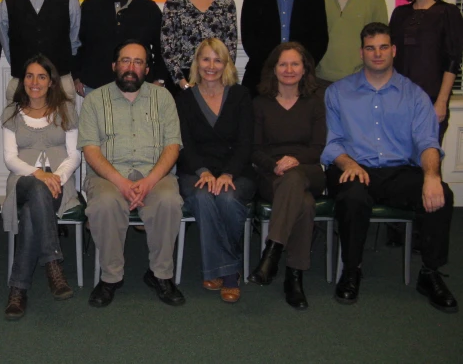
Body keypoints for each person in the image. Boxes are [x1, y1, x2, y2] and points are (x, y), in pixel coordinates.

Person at [322, 22, 457, 313]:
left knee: (441, 195)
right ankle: (351, 270)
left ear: (393, 50)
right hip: (354, 167)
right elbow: (332, 143)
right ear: (362, 52)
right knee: (353, 197)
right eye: (370, 48)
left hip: (398, 170)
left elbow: (427, 141)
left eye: (383, 47)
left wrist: (432, 176)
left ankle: (430, 273)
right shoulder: (338, 92)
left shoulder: (415, 95)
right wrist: (348, 163)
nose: (377, 53)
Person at [79, 40, 184, 308]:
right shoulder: (94, 100)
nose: (131, 67)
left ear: (147, 69)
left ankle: (160, 275)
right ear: (114, 66)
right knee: (104, 203)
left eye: (138, 62)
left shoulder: (163, 98)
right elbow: (90, 150)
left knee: (169, 201)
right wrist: (122, 183)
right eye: (125, 61)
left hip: (155, 174)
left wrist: (149, 182)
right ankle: (110, 277)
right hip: (108, 176)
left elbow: (173, 146)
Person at [1, 55, 81, 320]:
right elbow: (10, 159)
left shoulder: (66, 110)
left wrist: (55, 177)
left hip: (60, 182)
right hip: (23, 180)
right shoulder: (12, 113)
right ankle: (53, 264)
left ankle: (18, 289)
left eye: (41, 77)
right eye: (29, 76)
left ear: (51, 82)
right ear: (22, 81)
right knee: (36, 188)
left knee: (35, 205)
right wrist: (38, 174)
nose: (34, 82)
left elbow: (74, 155)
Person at [175, 38, 255, 303]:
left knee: (228, 198)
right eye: (206, 59)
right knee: (201, 197)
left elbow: (246, 143)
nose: (211, 66)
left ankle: (220, 270)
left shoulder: (241, 95)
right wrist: (203, 172)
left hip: (237, 172)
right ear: (197, 62)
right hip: (194, 172)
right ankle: (230, 272)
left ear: (226, 64)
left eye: (217, 60)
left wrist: (227, 174)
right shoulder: (184, 99)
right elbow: (183, 143)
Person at [248, 42, 326, 310]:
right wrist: (274, 165)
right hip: (273, 175)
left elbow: (318, 149)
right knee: (303, 203)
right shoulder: (259, 104)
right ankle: (294, 277)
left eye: (295, 64)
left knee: (295, 180)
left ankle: (272, 251)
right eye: (283, 64)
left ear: (305, 70)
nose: (289, 69)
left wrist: (295, 161)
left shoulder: (315, 104)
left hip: (309, 170)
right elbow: (254, 150)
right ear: (274, 69)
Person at [390, 0, 463, 143]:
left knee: (427, 158)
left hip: (430, 99)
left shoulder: (448, 12)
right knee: (400, 159)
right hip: (399, 99)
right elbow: (390, 56)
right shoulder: (400, 13)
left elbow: (453, 60)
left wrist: (441, 102)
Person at [241, 0, 328, 97]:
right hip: (261, 78)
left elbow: (320, 41)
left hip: (303, 80)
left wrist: (299, 67)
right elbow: (249, 41)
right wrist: (274, 68)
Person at [73, 0, 167, 96]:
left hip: (139, 88)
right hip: (95, 88)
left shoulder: (149, 9)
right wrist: (77, 76)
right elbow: (78, 44)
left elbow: (162, 48)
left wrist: (159, 79)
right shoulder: (89, 6)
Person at [0, 0, 80, 103]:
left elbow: (74, 41)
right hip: (23, 84)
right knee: (19, 127)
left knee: (64, 128)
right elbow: (7, 46)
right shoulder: (7, 4)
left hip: (61, 83)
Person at [161, 0, 237, 95]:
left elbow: (230, 48)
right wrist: (183, 83)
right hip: (182, 80)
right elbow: (167, 49)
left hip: (216, 79)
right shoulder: (174, 3)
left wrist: (218, 81)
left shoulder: (226, 3)